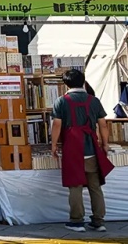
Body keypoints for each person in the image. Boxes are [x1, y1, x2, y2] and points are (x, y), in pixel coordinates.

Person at [51, 69, 114, 233]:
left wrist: (53, 145)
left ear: (66, 84)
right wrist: (105, 144)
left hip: (72, 147)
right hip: (91, 147)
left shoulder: (61, 101)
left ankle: (77, 221)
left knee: (75, 185)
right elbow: (103, 125)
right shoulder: (94, 101)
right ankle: (99, 221)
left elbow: (57, 125)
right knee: (95, 186)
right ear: (83, 82)